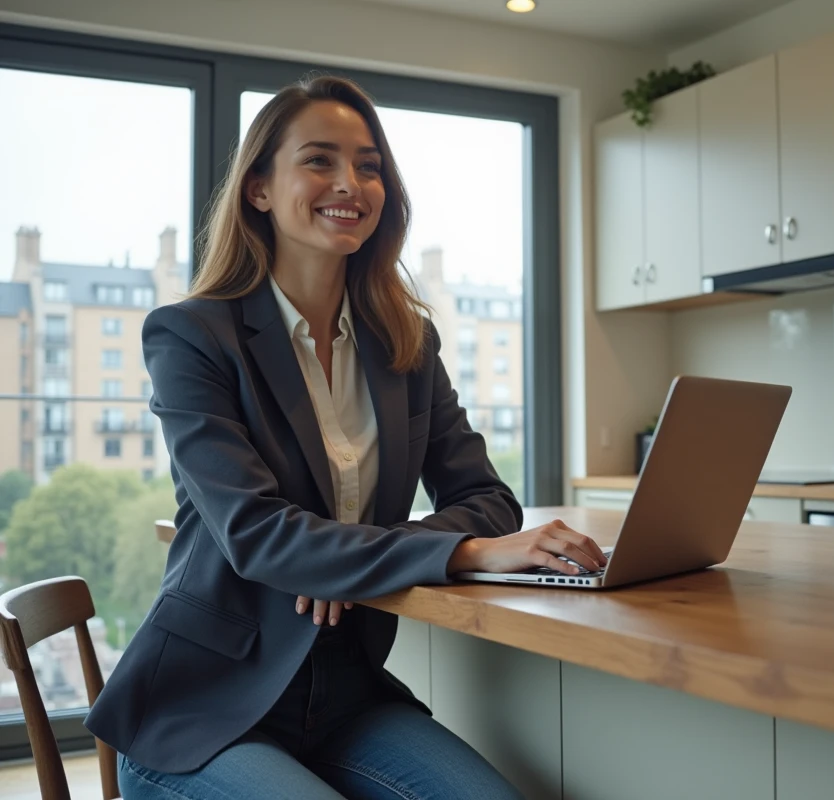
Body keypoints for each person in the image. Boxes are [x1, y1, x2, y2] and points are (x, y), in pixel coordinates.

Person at [84, 74, 607, 799]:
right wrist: (460, 550)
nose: (350, 183)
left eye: (369, 166)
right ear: (259, 189)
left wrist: (345, 559)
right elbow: (258, 534)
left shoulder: (406, 342)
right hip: (201, 709)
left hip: (347, 697)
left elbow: (488, 498)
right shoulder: (192, 335)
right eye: (319, 160)